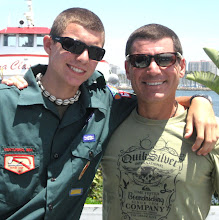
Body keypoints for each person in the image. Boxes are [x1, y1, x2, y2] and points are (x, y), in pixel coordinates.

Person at [0, 8, 218, 220]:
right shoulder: (5, 104)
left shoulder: (105, 106)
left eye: (94, 52)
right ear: (48, 45)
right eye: (71, 45)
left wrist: (199, 101)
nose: (83, 58)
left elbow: (153, 97)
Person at [101, 23, 219, 220]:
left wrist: (200, 101)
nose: (153, 69)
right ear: (128, 69)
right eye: (140, 60)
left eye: (165, 59)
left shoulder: (208, 131)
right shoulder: (109, 121)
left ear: (181, 67)